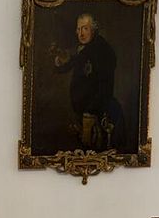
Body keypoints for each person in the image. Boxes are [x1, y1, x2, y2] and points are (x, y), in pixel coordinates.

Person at [51, 13, 125, 151]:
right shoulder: (84, 48)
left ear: (93, 29)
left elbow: (105, 87)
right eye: (78, 29)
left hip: (100, 114)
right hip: (84, 114)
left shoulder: (104, 50)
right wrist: (61, 59)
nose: (81, 33)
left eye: (85, 28)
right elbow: (68, 65)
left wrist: (91, 112)